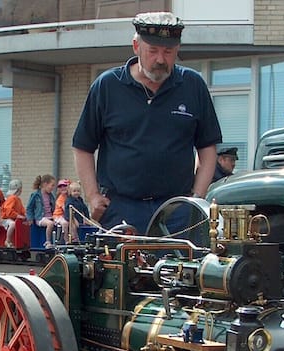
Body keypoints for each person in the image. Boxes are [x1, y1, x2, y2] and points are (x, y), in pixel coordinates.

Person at [72, 11, 222, 234]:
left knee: (181, 269)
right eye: (153, 51)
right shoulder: (107, 86)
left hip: (176, 210)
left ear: (177, 50)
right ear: (136, 46)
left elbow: (208, 148)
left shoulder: (193, 85)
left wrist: (196, 199)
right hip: (121, 209)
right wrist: (92, 195)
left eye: (168, 52)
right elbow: (83, 147)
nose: (161, 60)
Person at [27, 174, 58, 247]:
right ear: (45, 184)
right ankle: (47, 242)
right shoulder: (36, 195)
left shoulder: (51, 196)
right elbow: (29, 207)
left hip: (50, 217)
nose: (53, 188)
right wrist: (30, 218)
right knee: (50, 224)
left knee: (60, 224)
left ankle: (57, 242)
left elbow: (53, 207)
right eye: (52, 185)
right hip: (40, 218)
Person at [0, 179, 26, 248]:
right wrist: (18, 216)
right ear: (19, 189)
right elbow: (8, 211)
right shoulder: (12, 198)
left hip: (11, 218)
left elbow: (22, 210)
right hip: (5, 219)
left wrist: (26, 216)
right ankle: (7, 240)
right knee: (13, 224)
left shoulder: (18, 199)